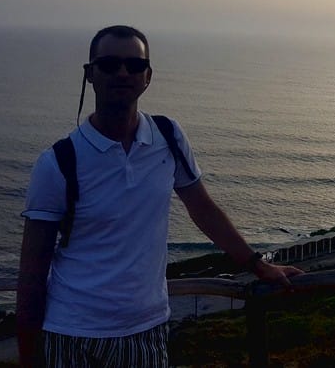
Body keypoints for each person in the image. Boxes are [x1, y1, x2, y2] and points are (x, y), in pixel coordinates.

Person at [17, 25, 302, 367]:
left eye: (134, 66)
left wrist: (258, 265)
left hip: (147, 328)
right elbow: (32, 272)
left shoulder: (168, 137)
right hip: (74, 333)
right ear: (90, 74)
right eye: (109, 64)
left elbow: (203, 209)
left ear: (148, 76)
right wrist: (28, 357)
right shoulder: (58, 162)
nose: (123, 73)